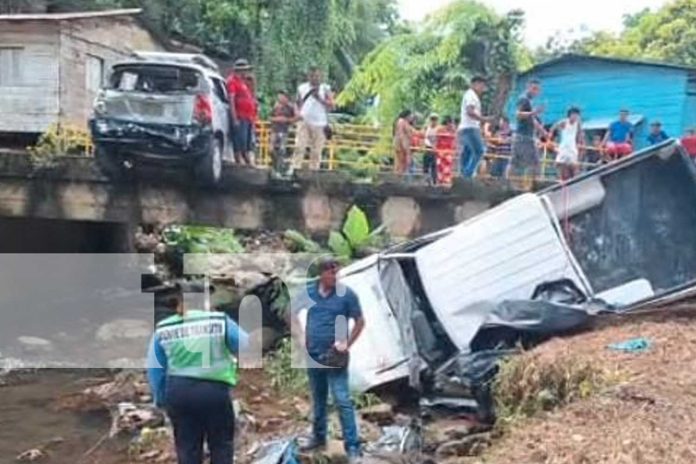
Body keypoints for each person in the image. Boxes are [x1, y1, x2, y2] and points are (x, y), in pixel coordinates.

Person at [147, 282, 249, 464]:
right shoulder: (219, 320)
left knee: (187, 447)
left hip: (179, 393)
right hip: (214, 392)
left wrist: (161, 399)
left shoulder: (163, 328)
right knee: (221, 445)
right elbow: (244, 343)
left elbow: (155, 369)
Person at [294, 257, 366, 463]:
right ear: (322, 274)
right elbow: (290, 313)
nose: (336, 277)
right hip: (313, 354)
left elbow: (360, 322)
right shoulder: (309, 292)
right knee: (318, 399)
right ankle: (318, 437)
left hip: (336, 356)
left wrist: (347, 343)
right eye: (332, 273)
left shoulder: (347, 295)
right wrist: (300, 336)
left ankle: (352, 447)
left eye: (337, 272)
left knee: (342, 399)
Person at [295, 67, 334, 170]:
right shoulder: (302, 88)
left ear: (320, 77)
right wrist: (297, 113)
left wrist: (319, 99)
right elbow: (298, 103)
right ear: (308, 76)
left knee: (316, 151)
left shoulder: (325, 88)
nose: (314, 78)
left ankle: (314, 170)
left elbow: (332, 105)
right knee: (300, 146)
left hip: (320, 123)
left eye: (317, 76)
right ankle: (296, 168)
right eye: (312, 76)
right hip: (304, 121)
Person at [511, 79, 547, 181]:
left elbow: (532, 119)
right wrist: (534, 112)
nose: (535, 92)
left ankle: (512, 181)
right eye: (534, 89)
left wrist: (542, 131)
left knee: (516, 162)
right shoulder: (524, 99)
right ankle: (536, 183)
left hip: (524, 136)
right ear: (528, 87)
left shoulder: (528, 101)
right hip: (524, 136)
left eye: (537, 90)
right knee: (534, 162)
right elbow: (519, 115)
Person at [226, 59, 258, 165]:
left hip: (248, 117)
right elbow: (231, 100)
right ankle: (243, 163)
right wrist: (234, 118)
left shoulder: (243, 83)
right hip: (240, 116)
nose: (246, 73)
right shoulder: (232, 81)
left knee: (247, 144)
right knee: (241, 144)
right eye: (244, 70)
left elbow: (252, 96)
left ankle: (247, 163)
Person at [458, 76, 491, 178]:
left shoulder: (470, 95)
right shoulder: (471, 96)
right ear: (474, 84)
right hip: (470, 127)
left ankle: (463, 175)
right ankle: (468, 175)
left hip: (466, 127)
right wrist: (483, 119)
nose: (482, 88)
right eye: (481, 85)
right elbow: (470, 112)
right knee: (479, 151)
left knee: (467, 152)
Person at [270, 90, 299, 178]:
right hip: (274, 130)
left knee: (281, 150)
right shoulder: (276, 106)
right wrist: (277, 119)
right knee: (271, 149)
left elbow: (298, 117)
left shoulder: (291, 107)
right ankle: (275, 167)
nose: (280, 98)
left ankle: (280, 169)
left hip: (284, 131)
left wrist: (287, 120)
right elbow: (270, 117)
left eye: (282, 96)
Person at [549, 107, 584, 181]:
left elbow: (580, 134)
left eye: (577, 115)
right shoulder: (564, 122)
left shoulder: (578, 124)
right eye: (573, 115)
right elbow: (553, 128)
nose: (575, 117)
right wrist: (551, 140)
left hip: (572, 148)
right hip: (564, 148)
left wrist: (580, 143)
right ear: (570, 115)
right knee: (563, 169)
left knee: (574, 168)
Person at [393, 110, 416, 175]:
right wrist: (404, 145)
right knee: (400, 163)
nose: (411, 117)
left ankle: (401, 176)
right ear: (407, 115)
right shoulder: (401, 121)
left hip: (405, 145)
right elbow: (401, 134)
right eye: (411, 115)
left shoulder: (406, 123)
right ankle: (398, 178)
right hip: (401, 145)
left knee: (404, 163)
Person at [436, 115, 456, 186]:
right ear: (447, 122)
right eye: (451, 122)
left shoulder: (452, 129)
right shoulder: (440, 129)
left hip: (449, 152)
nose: (452, 124)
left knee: (448, 168)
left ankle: (446, 182)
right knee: (440, 167)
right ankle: (440, 182)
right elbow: (437, 139)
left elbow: (454, 140)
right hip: (441, 151)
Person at [423, 114, 439, 184]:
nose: (433, 121)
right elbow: (425, 138)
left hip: (435, 149)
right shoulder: (427, 128)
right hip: (428, 148)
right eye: (432, 119)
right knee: (426, 165)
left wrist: (435, 146)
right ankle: (426, 180)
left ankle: (434, 181)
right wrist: (429, 145)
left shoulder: (438, 129)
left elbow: (439, 138)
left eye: (435, 119)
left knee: (434, 166)